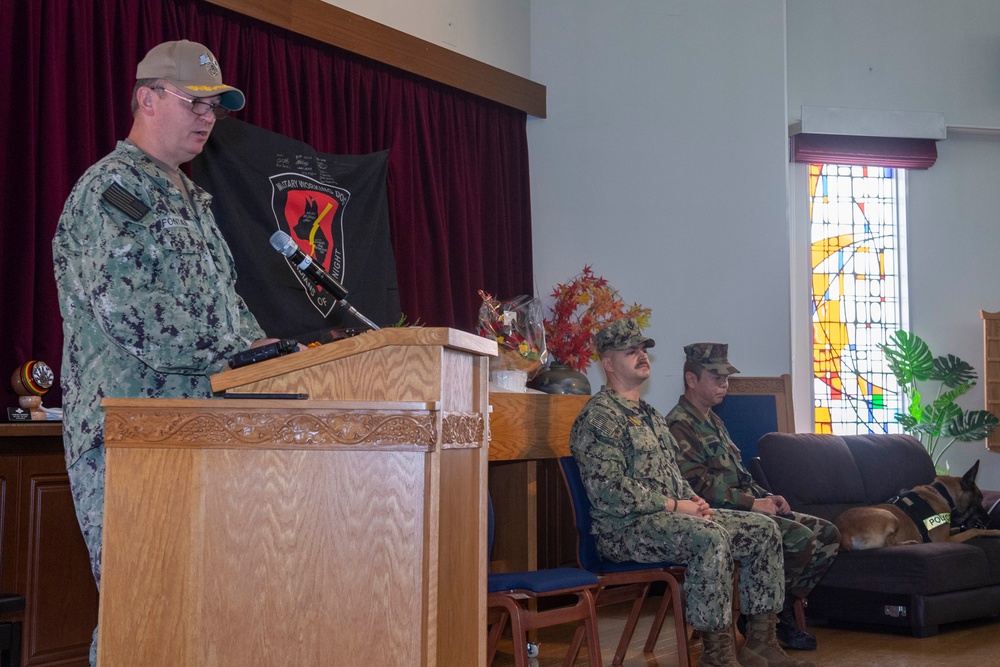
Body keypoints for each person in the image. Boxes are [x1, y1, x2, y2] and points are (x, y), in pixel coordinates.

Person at [52, 40, 274, 666]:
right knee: (141, 601)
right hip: (130, 434)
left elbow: (228, 306)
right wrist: (243, 349)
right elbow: (136, 316)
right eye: (194, 102)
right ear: (147, 100)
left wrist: (276, 356)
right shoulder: (112, 190)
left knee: (195, 608)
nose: (207, 116)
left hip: (197, 427)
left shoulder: (193, 201)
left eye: (216, 107)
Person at [570, 320, 814, 667]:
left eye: (643, 349)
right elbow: (609, 491)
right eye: (631, 351)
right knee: (708, 537)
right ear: (608, 363)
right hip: (624, 530)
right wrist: (675, 505)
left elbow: (673, 474)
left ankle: (761, 643)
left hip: (669, 519)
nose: (642, 356)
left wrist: (694, 501)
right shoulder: (599, 418)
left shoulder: (651, 416)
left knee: (763, 530)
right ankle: (717, 656)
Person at [666, 343, 840, 651]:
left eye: (726, 378)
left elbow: (739, 476)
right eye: (715, 377)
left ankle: (773, 609)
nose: (724, 384)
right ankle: (766, 616)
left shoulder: (713, 420)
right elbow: (699, 487)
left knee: (827, 534)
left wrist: (768, 496)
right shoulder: (680, 424)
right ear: (691, 380)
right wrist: (753, 504)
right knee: (800, 538)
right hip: (717, 516)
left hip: (747, 507)